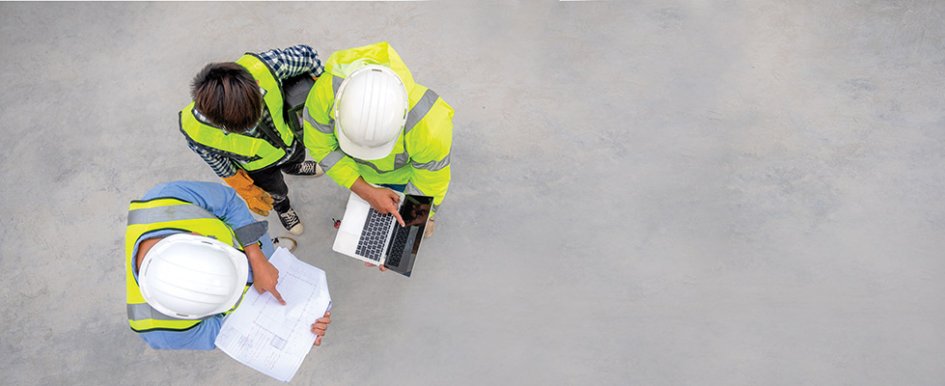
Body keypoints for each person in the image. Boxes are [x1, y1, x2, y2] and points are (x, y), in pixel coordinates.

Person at [125, 181, 330, 350]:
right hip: (255, 299)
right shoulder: (162, 333)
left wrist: (257, 256)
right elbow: (230, 334)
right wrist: (298, 331)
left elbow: (229, 204)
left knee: (268, 249)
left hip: (252, 249)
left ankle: (272, 250)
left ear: (194, 236)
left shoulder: (168, 198)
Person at [302, 42, 454, 267]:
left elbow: (429, 184)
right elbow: (321, 147)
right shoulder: (327, 92)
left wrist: (403, 240)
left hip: (402, 179)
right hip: (358, 175)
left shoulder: (429, 125)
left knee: (409, 224)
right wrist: (365, 190)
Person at [180, 45, 325, 236]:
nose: (252, 127)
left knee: (296, 158)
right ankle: (283, 208)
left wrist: (324, 93)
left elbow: (308, 56)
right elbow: (220, 164)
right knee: (276, 192)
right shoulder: (197, 132)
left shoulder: (267, 67)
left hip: (290, 142)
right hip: (259, 168)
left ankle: (294, 167)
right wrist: (246, 189)